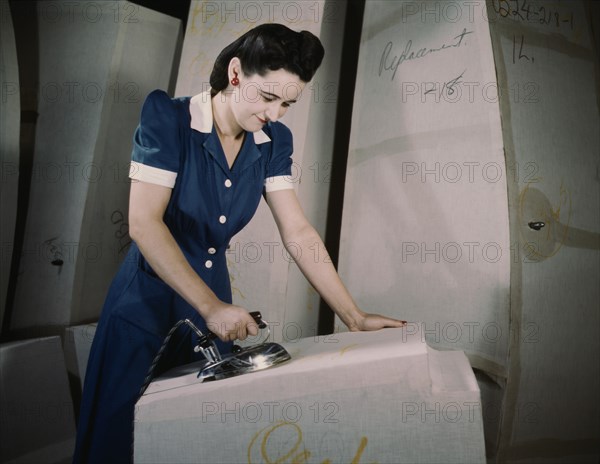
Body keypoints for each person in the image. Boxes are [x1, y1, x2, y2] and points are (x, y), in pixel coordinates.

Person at [73, 23, 406, 463]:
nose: (277, 113)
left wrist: (354, 316)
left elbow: (298, 232)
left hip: (215, 311)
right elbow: (144, 224)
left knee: (196, 438)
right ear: (235, 74)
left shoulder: (273, 142)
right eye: (268, 98)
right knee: (118, 443)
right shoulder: (168, 119)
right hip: (145, 308)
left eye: (288, 102)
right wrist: (210, 307)